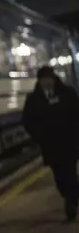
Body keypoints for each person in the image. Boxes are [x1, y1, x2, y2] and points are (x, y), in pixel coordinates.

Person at [23, 66, 79, 221]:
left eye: (49, 79)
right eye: (43, 80)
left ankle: (71, 205)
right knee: (59, 178)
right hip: (50, 145)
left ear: (54, 79)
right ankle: (70, 193)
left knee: (70, 173)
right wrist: (38, 136)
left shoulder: (68, 93)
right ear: (39, 81)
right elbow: (27, 120)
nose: (46, 82)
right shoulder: (34, 99)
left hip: (69, 142)